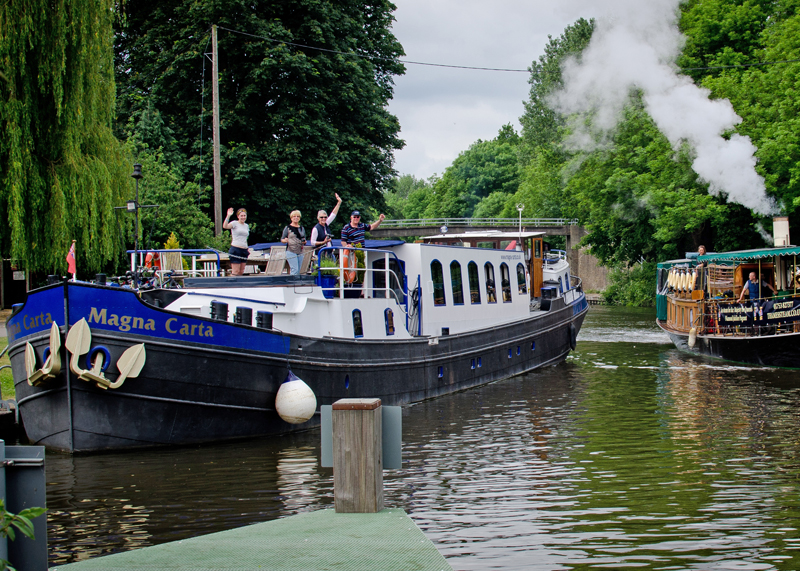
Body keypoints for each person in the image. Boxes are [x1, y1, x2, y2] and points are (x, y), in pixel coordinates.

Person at [340, 210, 385, 287]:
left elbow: (372, 227)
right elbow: (343, 241)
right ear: (351, 217)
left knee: (361, 270)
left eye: (358, 217)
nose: (356, 218)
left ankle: (361, 291)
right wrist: (347, 247)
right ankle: (349, 287)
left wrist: (380, 221)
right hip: (351, 254)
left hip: (361, 252)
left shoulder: (362, 225)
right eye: (354, 217)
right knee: (351, 270)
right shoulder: (346, 228)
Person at [223, 208, 250, 276]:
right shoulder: (235, 223)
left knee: (241, 271)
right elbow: (225, 226)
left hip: (244, 249)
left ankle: (240, 285)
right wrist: (228, 215)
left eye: (244, 215)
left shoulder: (246, 226)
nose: (243, 217)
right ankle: (232, 284)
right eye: (241, 216)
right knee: (236, 271)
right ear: (238, 216)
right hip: (236, 249)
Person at [281, 210, 306, 275]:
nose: (296, 218)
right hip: (291, 250)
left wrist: (304, 241)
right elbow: (282, 239)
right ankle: (292, 283)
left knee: (298, 270)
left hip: (300, 251)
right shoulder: (287, 228)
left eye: (298, 216)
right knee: (294, 269)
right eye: (294, 216)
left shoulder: (302, 228)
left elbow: (304, 238)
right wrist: (285, 240)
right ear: (291, 218)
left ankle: (296, 283)